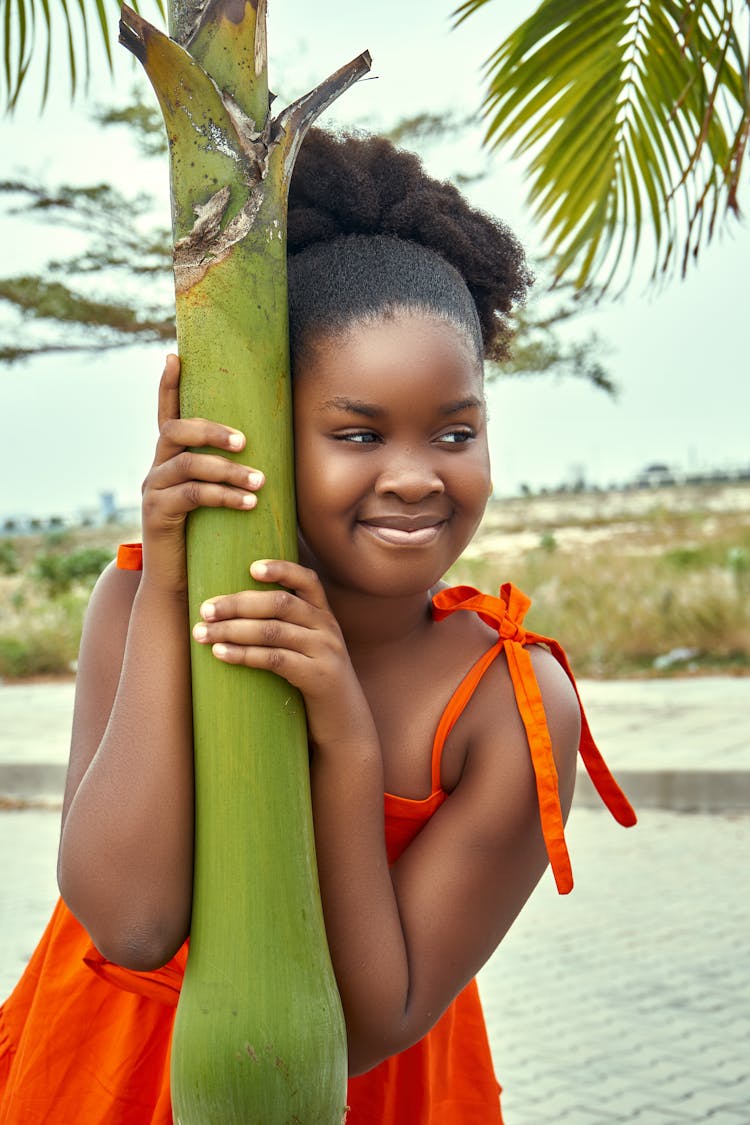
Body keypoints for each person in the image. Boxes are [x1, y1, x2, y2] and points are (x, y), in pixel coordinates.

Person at [0, 129, 635, 1124]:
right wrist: (170, 593)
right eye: (358, 433)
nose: (419, 474)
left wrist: (344, 739)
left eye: (456, 431)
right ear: (257, 424)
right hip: (99, 1078)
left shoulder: (507, 708)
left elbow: (377, 1018)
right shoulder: (140, 604)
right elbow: (129, 921)